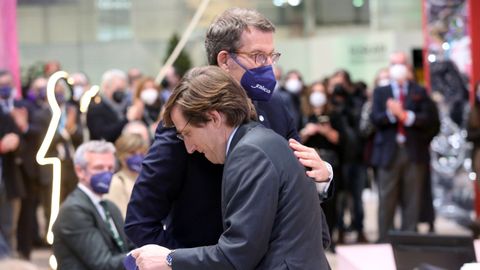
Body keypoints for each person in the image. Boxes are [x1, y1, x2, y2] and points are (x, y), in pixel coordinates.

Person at [125, 7, 333, 250]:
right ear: (224, 60)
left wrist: (323, 175)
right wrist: (182, 261)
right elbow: (140, 221)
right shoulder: (186, 118)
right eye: (257, 56)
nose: (268, 67)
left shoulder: (274, 105)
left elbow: (298, 179)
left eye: (271, 56)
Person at [131, 65, 330, 270]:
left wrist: (170, 259)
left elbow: (237, 255)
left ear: (215, 118)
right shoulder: (266, 142)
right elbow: (321, 234)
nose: (189, 148)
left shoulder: (249, 154)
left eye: (188, 133)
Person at [370, 52, 437, 242]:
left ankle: (409, 240)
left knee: (412, 199)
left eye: (401, 63)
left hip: (414, 152)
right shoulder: (380, 92)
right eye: (393, 64)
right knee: (386, 199)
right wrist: (393, 115)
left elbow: (429, 119)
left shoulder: (419, 91)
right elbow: (375, 118)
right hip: (388, 152)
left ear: (407, 67)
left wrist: (405, 116)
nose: (397, 67)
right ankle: (385, 240)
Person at [52, 140, 133, 270]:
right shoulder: (73, 210)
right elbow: (102, 264)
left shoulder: (110, 207)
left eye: (110, 168)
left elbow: (128, 246)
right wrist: (141, 257)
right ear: (80, 171)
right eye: (99, 168)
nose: (106, 174)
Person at [86, 69, 143, 142]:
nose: (121, 92)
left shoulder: (127, 106)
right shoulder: (95, 108)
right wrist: (127, 119)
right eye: (118, 88)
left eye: (123, 89)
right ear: (106, 87)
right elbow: (103, 135)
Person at [104, 133, 148, 219]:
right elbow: (120, 218)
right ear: (120, 155)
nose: (138, 157)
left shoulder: (147, 179)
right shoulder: (116, 182)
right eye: (132, 153)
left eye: (142, 153)